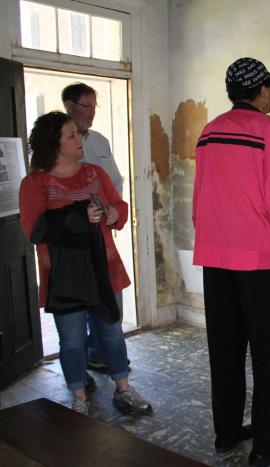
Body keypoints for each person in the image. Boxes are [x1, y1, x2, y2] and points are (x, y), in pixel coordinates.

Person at [192, 57, 270, 465]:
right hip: (260, 263)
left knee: (224, 351)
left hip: (216, 258)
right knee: (266, 357)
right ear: (263, 91)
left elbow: (199, 201)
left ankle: (227, 432)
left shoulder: (210, 132)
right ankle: (265, 447)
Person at [19, 111, 151, 416]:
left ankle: (124, 388)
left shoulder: (94, 173)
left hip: (104, 268)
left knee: (112, 331)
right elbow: (33, 230)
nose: (80, 139)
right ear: (54, 142)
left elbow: (118, 205)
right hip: (64, 276)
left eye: (77, 134)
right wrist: (78, 216)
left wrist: (115, 214)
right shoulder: (35, 183)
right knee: (73, 339)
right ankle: (79, 397)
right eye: (71, 135)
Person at [62, 83, 124, 376]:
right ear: (69, 105)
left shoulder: (99, 141)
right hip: (71, 242)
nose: (92, 113)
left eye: (94, 106)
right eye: (87, 106)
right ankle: (84, 365)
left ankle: (104, 355)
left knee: (108, 304)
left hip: (103, 233)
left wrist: (115, 212)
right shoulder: (55, 146)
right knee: (79, 308)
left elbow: (115, 181)